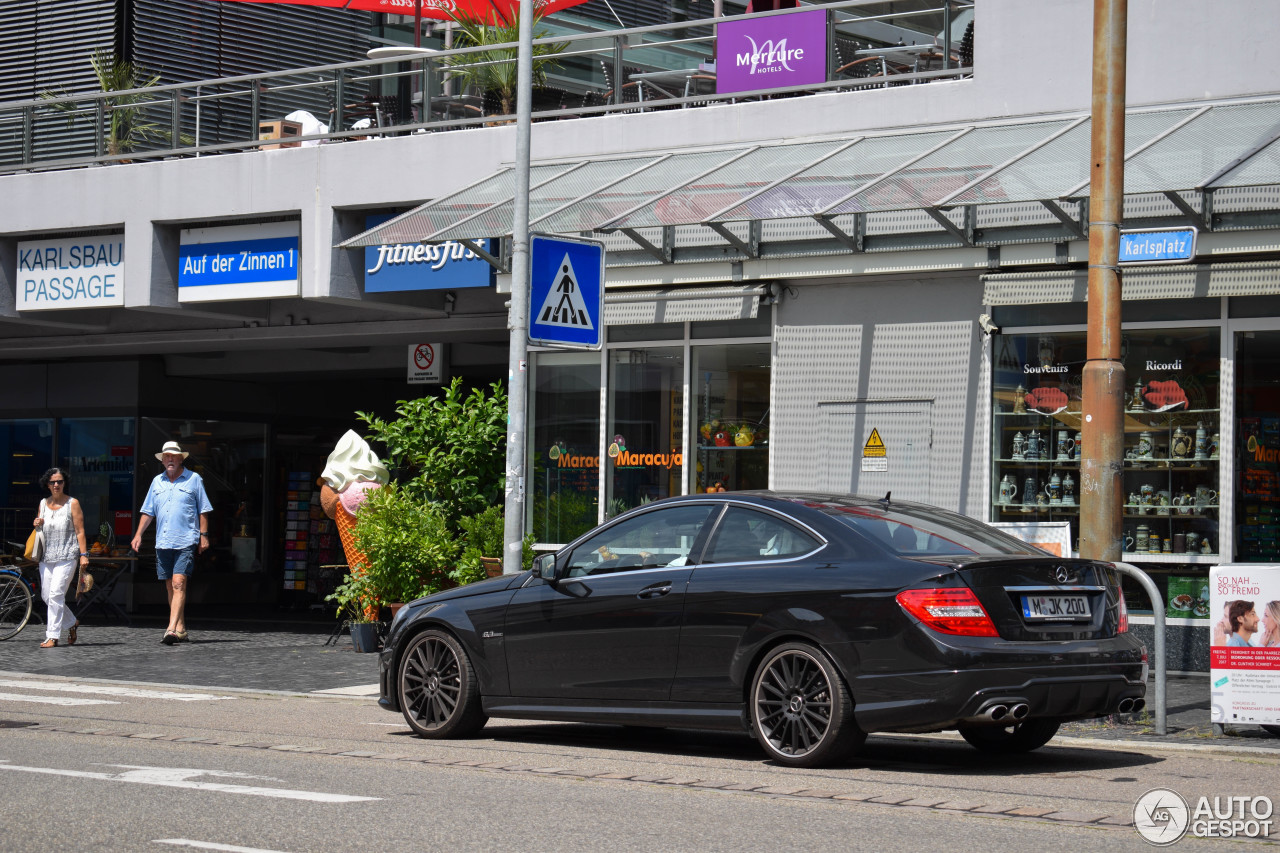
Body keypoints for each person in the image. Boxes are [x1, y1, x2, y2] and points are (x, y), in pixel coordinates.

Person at [131, 441, 212, 645]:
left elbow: (203, 509)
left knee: (178, 583)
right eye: (166, 456)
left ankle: (170, 629)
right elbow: (148, 511)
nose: (170, 459)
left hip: (185, 540)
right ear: (162, 460)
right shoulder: (157, 482)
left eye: (173, 456)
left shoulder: (194, 479)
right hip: (163, 542)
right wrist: (138, 534)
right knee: (170, 586)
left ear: (181, 459)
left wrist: (203, 535)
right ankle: (181, 627)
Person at [32, 468, 89, 648]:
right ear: (47, 484)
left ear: (64, 483)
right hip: (47, 556)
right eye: (52, 482)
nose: (56, 485)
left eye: (60, 481)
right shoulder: (43, 503)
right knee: (47, 596)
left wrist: (83, 555)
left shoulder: (73, 503)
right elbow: (40, 531)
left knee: (56, 594)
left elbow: (80, 531)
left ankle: (52, 636)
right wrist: (36, 523)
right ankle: (72, 623)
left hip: (67, 555)